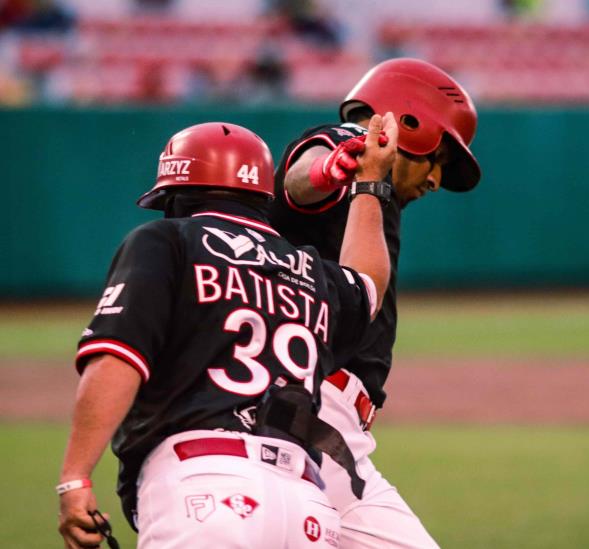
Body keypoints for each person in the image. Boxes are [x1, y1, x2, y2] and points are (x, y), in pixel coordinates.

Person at [57, 116, 397, 548]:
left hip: (203, 487)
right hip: (308, 507)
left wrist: (74, 478)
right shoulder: (310, 271)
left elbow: (118, 356)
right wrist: (370, 183)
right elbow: (368, 284)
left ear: (177, 195)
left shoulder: (167, 241)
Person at [268, 58, 482, 548]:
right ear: (412, 123)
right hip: (307, 414)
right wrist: (332, 167)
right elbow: (297, 182)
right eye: (439, 161)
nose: (435, 181)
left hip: (326, 426)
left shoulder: (375, 187)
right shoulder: (346, 144)